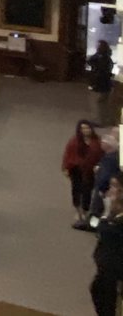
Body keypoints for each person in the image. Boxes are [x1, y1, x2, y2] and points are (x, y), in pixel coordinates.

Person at [91, 172, 123, 316]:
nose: (110, 190)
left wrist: (106, 215)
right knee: (98, 291)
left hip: (115, 266)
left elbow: (107, 231)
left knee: (105, 296)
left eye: (114, 186)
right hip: (107, 265)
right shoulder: (116, 211)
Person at [64, 119, 105, 228]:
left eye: (87, 128)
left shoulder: (96, 142)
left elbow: (101, 154)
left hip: (90, 170)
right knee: (77, 189)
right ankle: (78, 210)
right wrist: (67, 168)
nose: (85, 130)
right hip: (76, 170)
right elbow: (68, 155)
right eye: (82, 128)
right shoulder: (74, 141)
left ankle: (85, 209)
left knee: (87, 190)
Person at [88, 40, 115, 127]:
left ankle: (98, 121)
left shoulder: (99, 59)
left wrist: (92, 84)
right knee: (104, 104)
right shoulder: (108, 58)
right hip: (107, 84)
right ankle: (105, 120)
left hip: (98, 84)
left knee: (95, 103)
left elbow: (90, 61)